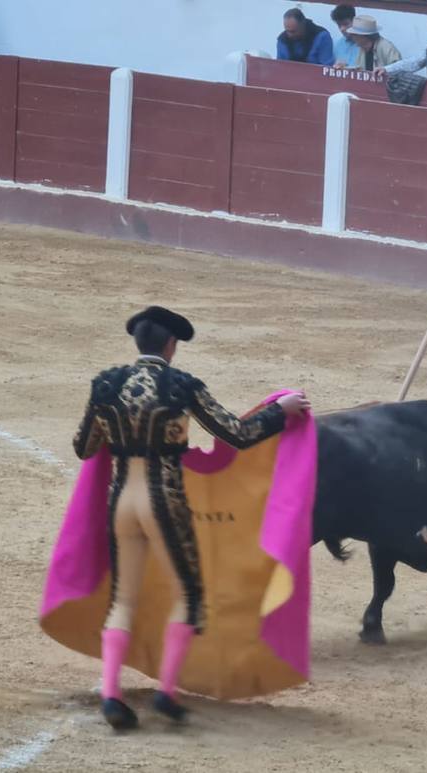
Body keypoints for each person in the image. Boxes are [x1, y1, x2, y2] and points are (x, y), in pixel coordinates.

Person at [72, 306, 309, 729]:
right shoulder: (181, 386)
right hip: (164, 502)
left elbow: (85, 448)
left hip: (120, 502)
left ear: (138, 344)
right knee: (189, 596)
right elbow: (236, 433)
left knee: (122, 599)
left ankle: (111, 694)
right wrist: (281, 411)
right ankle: (165, 692)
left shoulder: (106, 385)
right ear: (171, 346)